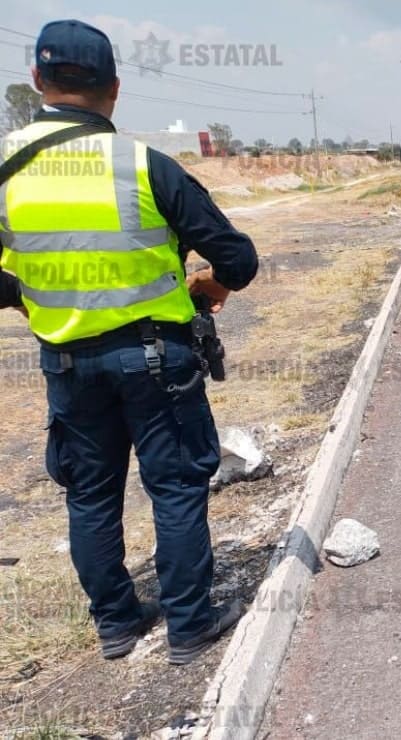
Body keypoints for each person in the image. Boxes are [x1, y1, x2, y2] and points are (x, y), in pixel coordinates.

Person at [0, 19, 257, 665]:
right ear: (115, 88)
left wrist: (31, 292)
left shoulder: (7, 170)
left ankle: (117, 626)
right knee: (173, 488)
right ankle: (189, 626)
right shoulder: (144, 165)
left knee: (90, 495)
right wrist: (212, 288)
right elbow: (238, 257)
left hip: (67, 360)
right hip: (155, 358)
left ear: (37, 82)